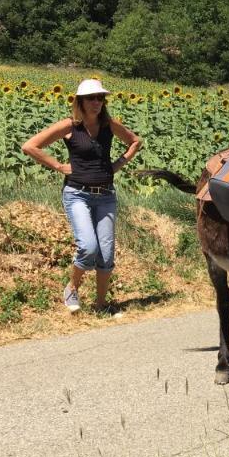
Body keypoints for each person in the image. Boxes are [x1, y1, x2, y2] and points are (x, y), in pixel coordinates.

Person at [21, 78, 142, 315]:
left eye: (100, 98)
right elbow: (30, 146)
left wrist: (117, 164)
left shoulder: (108, 124)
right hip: (78, 194)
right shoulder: (69, 126)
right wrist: (58, 166)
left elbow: (135, 141)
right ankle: (71, 289)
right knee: (87, 246)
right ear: (81, 101)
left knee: (106, 254)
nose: (97, 102)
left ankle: (100, 305)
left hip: (106, 195)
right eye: (91, 98)